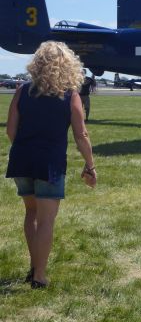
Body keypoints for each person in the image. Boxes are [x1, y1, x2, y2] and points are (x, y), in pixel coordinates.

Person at [5, 41, 96, 289]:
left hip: (22, 159)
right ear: (67, 66)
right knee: (46, 220)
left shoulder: (22, 91)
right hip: (50, 163)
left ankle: (34, 267)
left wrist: (26, 148)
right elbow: (81, 135)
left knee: (31, 213)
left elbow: (10, 130)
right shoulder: (70, 95)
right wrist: (90, 165)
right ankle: (40, 276)